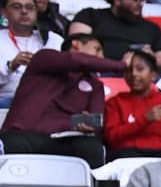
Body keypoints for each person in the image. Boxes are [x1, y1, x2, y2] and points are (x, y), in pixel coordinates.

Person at [0, 32, 124, 169]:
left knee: (92, 147)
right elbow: (80, 61)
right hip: (24, 135)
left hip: (65, 140)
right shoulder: (43, 58)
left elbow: (97, 117)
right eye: (97, 49)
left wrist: (90, 125)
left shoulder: (95, 84)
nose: (101, 58)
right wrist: (123, 66)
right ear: (76, 44)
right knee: (13, 143)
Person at [104, 50, 161, 160]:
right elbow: (111, 137)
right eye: (128, 70)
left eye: (140, 69)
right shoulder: (114, 102)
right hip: (125, 156)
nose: (133, 74)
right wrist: (144, 120)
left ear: (153, 75)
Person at [77, 0, 161, 68]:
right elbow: (76, 47)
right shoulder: (90, 16)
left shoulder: (151, 28)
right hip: (98, 74)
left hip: (135, 78)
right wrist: (118, 65)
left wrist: (149, 58)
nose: (141, 4)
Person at [0, 0, 61, 108]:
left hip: (48, 101)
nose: (24, 11)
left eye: (29, 7)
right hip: (7, 101)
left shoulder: (54, 40)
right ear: (4, 12)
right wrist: (10, 66)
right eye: (16, 7)